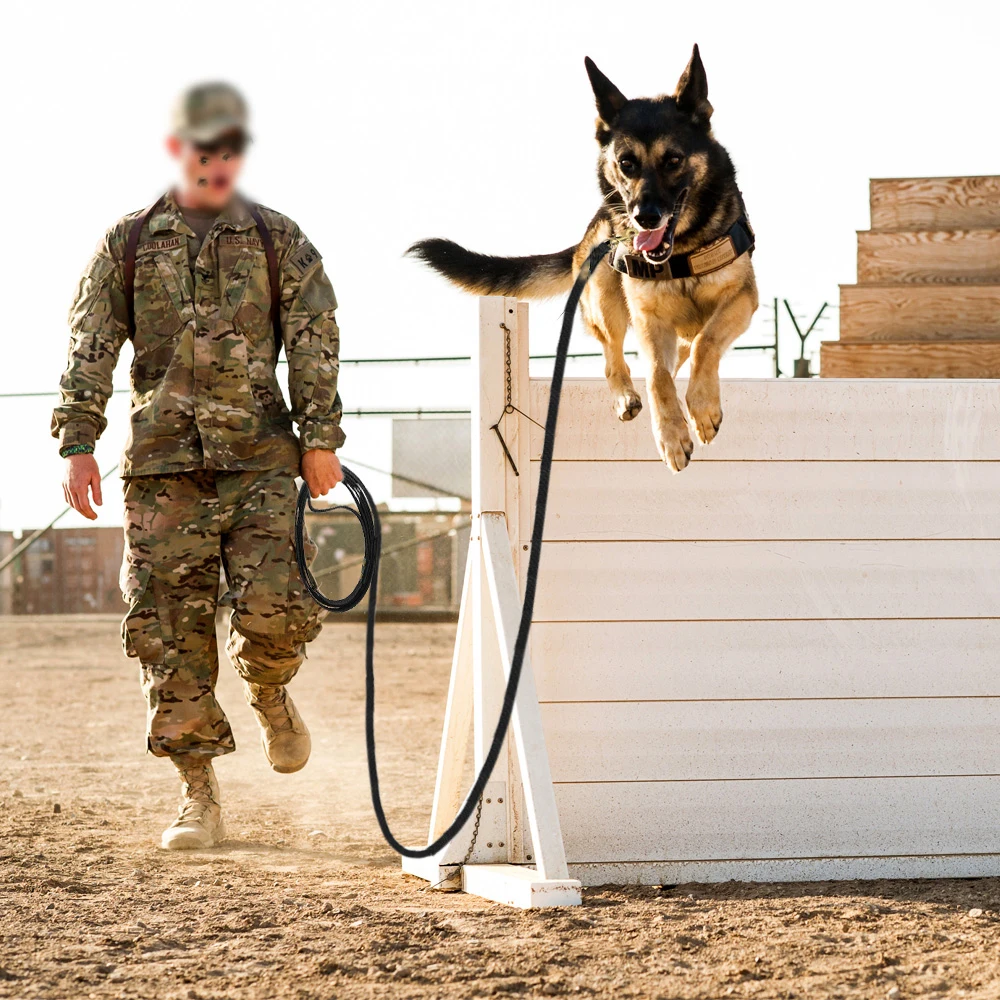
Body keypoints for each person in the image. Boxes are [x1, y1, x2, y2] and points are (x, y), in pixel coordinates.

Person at [51, 82, 345, 850]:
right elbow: (90, 343)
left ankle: (271, 692)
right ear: (179, 150)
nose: (216, 163)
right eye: (203, 149)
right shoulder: (128, 241)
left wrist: (321, 436)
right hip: (161, 470)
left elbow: (314, 338)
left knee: (273, 613)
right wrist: (77, 441)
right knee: (168, 633)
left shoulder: (281, 241)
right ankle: (198, 796)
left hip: (258, 463)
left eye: (229, 150)